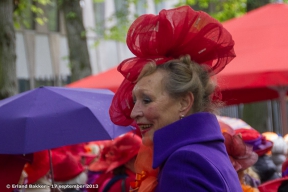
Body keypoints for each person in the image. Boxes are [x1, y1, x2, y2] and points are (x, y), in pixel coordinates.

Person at [109, 5, 242, 192]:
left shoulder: (184, 162)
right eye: (134, 100)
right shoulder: (204, 151)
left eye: (146, 100)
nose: (134, 112)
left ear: (184, 103)